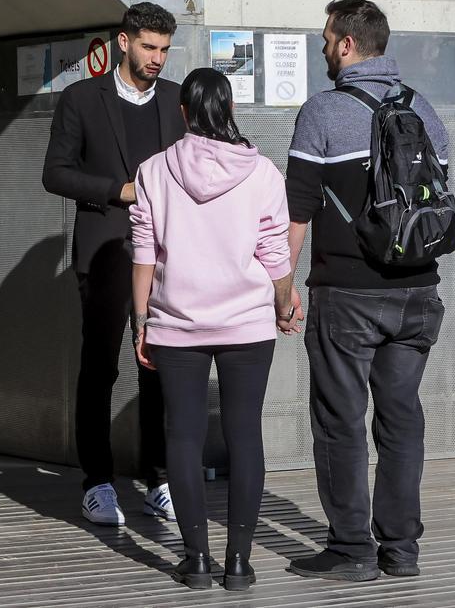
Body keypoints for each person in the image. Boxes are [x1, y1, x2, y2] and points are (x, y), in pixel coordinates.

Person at [284, 0, 450, 582]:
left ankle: (351, 548)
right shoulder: (423, 110)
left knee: (339, 419)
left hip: (347, 296)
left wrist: (283, 286)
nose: (324, 47)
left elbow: (297, 213)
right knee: (401, 419)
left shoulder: (322, 112)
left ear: (348, 45)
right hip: (418, 293)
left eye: (328, 38)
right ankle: (401, 549)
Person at [131, 67, 298, 590]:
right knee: (244, 433)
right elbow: (274, 251)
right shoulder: (263, 173)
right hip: (248, 324)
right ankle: (241, 563)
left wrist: (141, 323)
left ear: (183, 112)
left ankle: (196, 560)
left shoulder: (153, 172)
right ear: (229, 110)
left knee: (182, 437)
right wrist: (285, 302)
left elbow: (143, 257)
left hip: (176, 325)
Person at [42, 2, 184, 525]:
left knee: (159, 364)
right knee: (100, 366)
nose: (158, 59)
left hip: (168, 253)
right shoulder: (81, 98)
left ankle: (158, 479)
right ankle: (98, 481)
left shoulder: (175, 99)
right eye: (149, 47)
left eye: (165, 50)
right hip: (105, 249)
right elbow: (55, 173)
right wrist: (117, 191)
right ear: (123, 43)